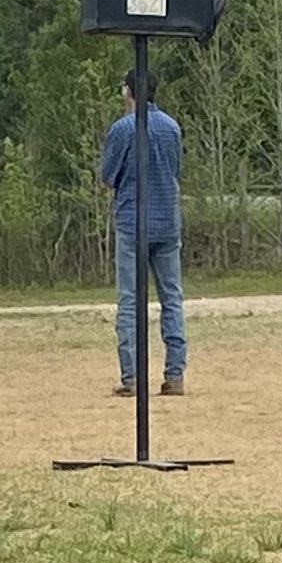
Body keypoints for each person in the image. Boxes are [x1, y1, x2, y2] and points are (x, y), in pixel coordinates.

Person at [100, 68, 186, 397]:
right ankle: (175, 373)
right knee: (172, 300)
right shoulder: (171, 127)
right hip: (167, 220)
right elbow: (175, 170)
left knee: (130, 302)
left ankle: (133, 377)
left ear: (129, 92)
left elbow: (107, 177)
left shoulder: (122, 129)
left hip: (132, 222)